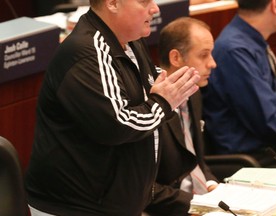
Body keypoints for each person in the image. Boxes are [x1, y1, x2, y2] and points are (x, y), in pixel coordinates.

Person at [24, 0, 201, 216]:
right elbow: (118, 124)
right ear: (113, 3)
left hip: (116, 204)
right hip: (74, 208)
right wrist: (163, 103)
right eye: (144, 1)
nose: (155, 8)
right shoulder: (87, 52)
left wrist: (171, 89)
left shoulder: (130, 42)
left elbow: (149, 87)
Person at [144, 17, 218, 215]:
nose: (213, 64)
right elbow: (146, 188)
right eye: (204, 55)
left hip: (204, 200)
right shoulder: (149, 106)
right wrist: (196, 203)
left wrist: (211, 185)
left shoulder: (193, 93)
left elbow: (195, 160)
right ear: (176, 58)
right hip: (173, 207)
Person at [202, 0, 276, 167]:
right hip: (259, 158)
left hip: (272, 149)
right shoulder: (235, 50)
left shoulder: (248, 40)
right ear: (275, 5)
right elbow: (270, 123)